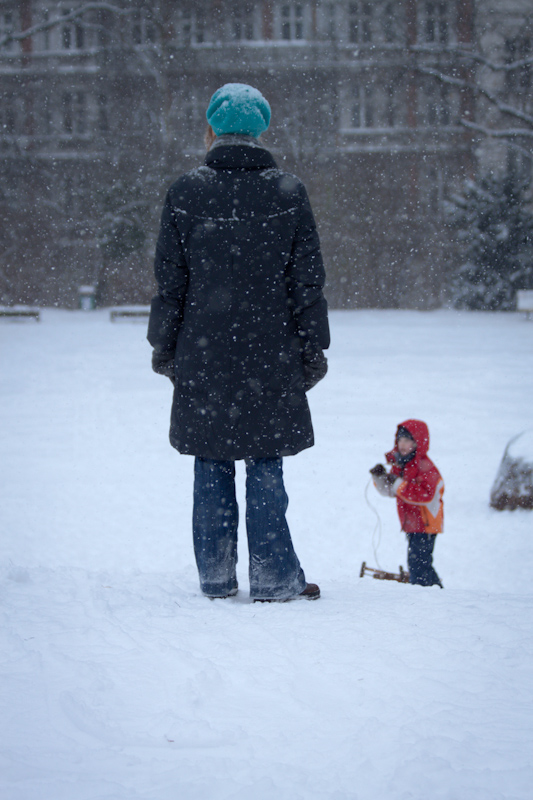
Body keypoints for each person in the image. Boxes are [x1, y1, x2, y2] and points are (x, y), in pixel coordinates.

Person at [147, 83, 330, 602]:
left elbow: (170, 282)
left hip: (203, 350)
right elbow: (307, 281)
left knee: (210, 459)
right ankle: (274, 578)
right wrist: (313, 346)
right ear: (260, 130)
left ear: (212, 129)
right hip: (271, 352)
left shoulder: (185, 192)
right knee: (265, 460)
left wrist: (164, 345)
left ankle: (216, 576)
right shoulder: (287, 192)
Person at [370, 419, 444, 587]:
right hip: (411, 523)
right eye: (400, 440)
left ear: (418, 443)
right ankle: (436, 592)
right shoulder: (402, 465)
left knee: (419, 564)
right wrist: (380, 478)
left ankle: (424, 593)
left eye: (408, 440)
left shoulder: (426, 467)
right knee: (420, 563)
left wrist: (397, 483)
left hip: (426, 523)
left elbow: (425, 495)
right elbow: (391, 491)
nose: (402, 444)